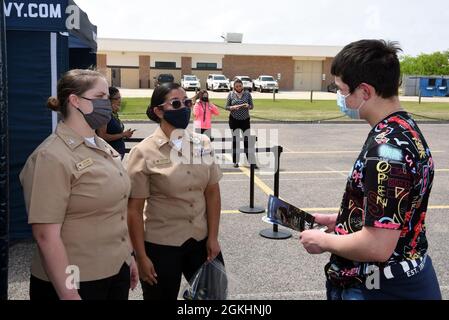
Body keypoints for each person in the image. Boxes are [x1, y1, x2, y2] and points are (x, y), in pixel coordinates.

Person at [299, 40, 441, 300]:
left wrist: (322, 241)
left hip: (380, 287)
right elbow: (397, 211)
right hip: (405, 276)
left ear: (365, 91)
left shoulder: (386, 151)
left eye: (341, 90)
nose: (340, 98)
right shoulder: (404, 128)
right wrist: (342, 220)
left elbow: (377, 246)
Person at [19, 69, 138, 300]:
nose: (109, 102)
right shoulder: (50, 156)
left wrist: (128, 257)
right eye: (101, 96)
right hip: (76, 280)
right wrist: (69, 294)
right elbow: (46, 236)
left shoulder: (102, 146)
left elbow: (117, 212)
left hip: (114, 271)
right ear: (75, 101)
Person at [126, 82, 225, 300]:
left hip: (200, 240)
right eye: (176, 103)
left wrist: (213, 237)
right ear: (158, 111)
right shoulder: (142, 152)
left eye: (187, 102)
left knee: (214, 297)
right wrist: (141, 256)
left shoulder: (203, 143)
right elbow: (133, 210)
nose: (185, 108)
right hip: (161, 246)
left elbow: (212, 193)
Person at [225, 78, 256, 168]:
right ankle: (235, 161)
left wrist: (248, 106)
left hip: (245, 120)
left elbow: (252, 106)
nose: (238, 87)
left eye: (240, 86)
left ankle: (251, 162)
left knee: (247, 141)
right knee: (236, 141)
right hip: (233, 120)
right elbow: (226, 107)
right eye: (236, 86)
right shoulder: (231, 94)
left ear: (242, 86)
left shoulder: (247, 94)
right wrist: (232, 107)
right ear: (234, 87)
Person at [96, 86, 134, 159]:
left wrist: (125, 134)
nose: (119, 101)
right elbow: (102, 136)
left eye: (120, 98)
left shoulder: (113, 113)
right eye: (116, 98)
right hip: (109, 155)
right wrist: (123, 134)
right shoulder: (104, 114)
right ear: (108, 100)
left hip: (116, 155)